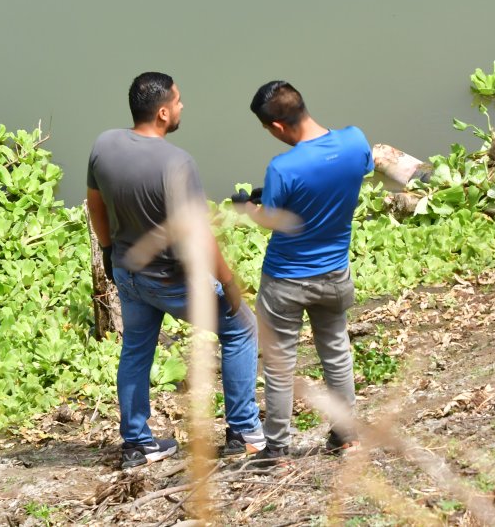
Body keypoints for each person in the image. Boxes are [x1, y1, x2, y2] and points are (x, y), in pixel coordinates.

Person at [87, 71, 266, 469]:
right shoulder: (177, 162)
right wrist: (228, 281)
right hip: (172, 280)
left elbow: (95, 205)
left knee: (136, 349)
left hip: (127, 272)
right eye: (179, 100)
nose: (183, 105)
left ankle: (137, 444)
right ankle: (244, 432)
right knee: (240, 328)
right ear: (163, 113)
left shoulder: (104, 144)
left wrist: (108, 252)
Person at [242, 81, 373, 463]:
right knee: (336, 352)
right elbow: (353, 172)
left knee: (280, 365)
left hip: (285, 281)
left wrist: (250, 209)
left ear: (277, 126)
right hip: (335, 274)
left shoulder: (283, 168)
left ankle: (277, 450)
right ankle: (347, 437)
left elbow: (272, 220)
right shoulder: (355, 141)